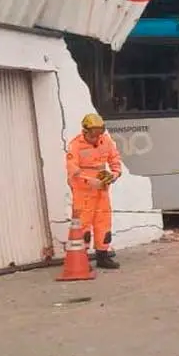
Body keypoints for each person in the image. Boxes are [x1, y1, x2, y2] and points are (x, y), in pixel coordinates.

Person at [66, 113, 124, 270]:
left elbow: (115, 159)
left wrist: (114, 175)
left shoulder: (105, 141)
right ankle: (81, 258)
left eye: (99, 133)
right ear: (85, 131)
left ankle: (102, 256)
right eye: (93, 133)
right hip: (83, 190)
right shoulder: (75, 145)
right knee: (83, 225)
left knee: (103, 222)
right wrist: (89, 180)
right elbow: (72, 168)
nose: (96, 137)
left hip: (101, 189)